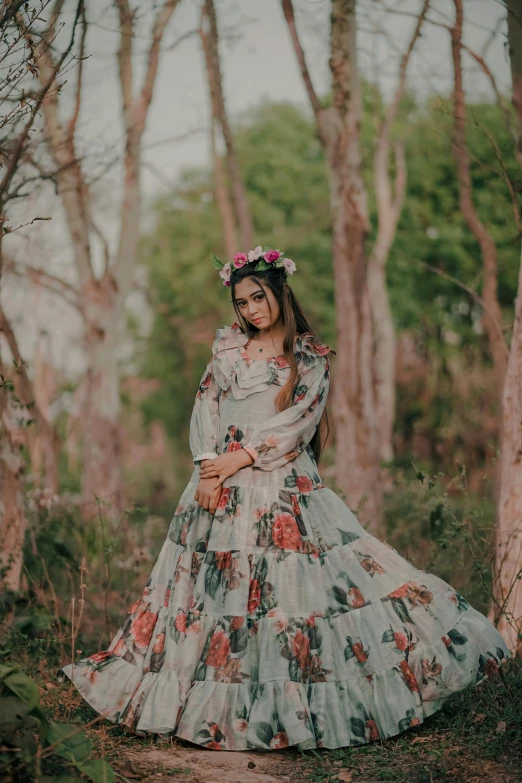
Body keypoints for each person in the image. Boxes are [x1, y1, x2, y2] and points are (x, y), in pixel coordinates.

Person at [59, 246, 511, 751]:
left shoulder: (309, 356)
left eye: (258, 298)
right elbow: (205, 407)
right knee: (212, 598)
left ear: (279, 292)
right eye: (241, 303)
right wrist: (209, 469)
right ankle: (212, 707)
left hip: (278, 486)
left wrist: (241, 458)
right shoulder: (227, 349)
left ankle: (293, 705)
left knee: (288, 600)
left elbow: (298, 422)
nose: (250, 310)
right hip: (213, 487)